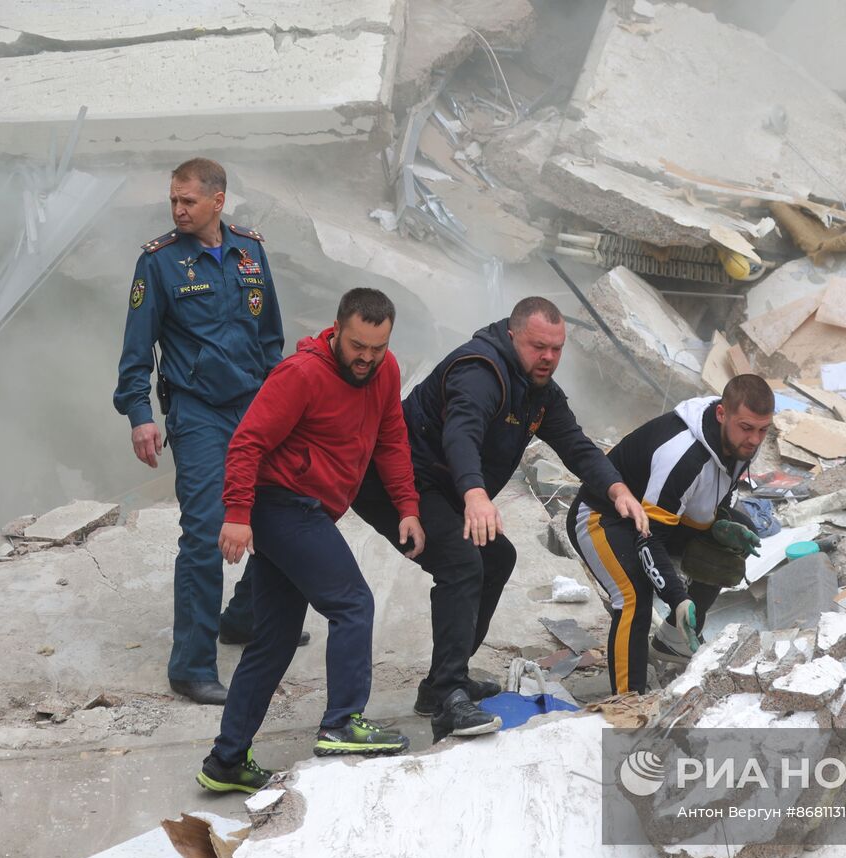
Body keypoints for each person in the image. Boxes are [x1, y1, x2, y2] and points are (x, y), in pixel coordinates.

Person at [351, 297, 648, 742]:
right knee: (462, 562)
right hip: (399, 482)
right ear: (512, 336)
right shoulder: (481, 371)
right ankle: (449, 697)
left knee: (497, 558)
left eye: (557, 348)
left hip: (441, 486)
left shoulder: (538, 390)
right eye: (537, 346)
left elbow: (576, 444)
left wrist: (617, 489)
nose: (548, 357)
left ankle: (440, 685)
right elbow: (462, 431)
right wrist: (474, 494)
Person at [197, 288, 422, 793]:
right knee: (353, 602)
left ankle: (226, 761)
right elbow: (247, 441)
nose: (366, 358)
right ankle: (342, 722)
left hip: (311, 510)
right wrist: (236, 513)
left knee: (272, 642)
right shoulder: (301, 374)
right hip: (281, 506)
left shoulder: (386, 373)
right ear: (337, 328)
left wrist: (407, 507)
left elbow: (391, 439)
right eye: (357, 345)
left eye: (377, 348)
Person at [113, 157, 305, 707]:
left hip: (256, 406)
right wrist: (139, 413)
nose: (177, 210)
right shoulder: (159, 262)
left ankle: (244, 618)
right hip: (198, 413)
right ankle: (191, 668)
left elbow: (270, 334)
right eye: (173, 200)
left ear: (218, 201)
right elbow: (136, 346)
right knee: (204, 532)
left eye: (188, 201)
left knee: (280, 512)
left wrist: (282, 403)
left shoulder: (250, 251)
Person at [566, 376, 771, 695]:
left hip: (656, 517)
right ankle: (628, 701)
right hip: (603, 516)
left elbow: (708, 498)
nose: (755, 440)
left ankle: (674, 640)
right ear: (721, 414)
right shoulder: (683, 456)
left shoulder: (741, 441)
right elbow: (650, 539)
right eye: (747, 427)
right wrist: (677, 597)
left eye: (763, 430)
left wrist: (720, 525)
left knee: (733, 542)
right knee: (634, 596)